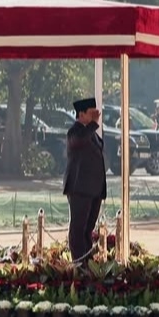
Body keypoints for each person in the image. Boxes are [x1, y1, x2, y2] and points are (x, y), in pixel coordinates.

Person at [62, 97, 107, 264]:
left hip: (94, 189)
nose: (95, 115)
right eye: (91, 112)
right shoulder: (75, 132)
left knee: (88, 230)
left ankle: (87, 262)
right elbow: (79, 140)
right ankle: (79, 263)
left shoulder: (91, 133)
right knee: (78, 230)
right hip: (79, 188)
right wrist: (93, 124)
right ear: (81, 114)